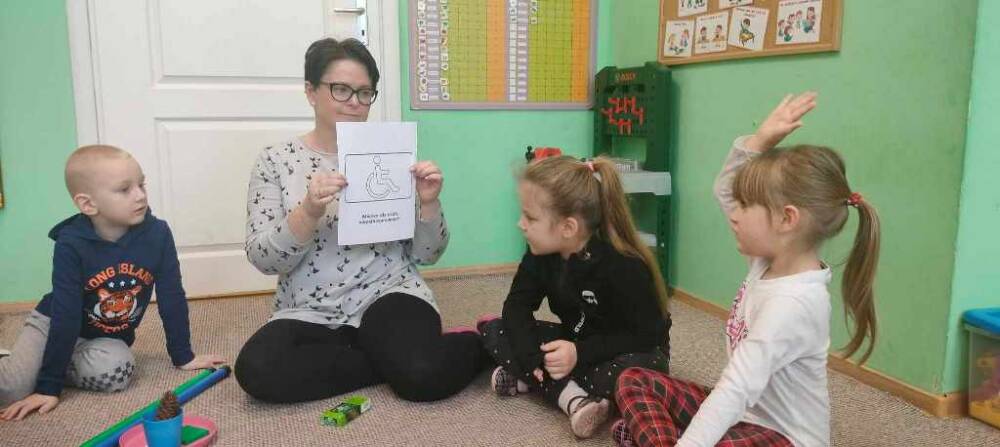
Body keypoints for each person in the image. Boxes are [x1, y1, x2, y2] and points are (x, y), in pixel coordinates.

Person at [612, 92, 881, 446]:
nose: (733, 213)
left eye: (745, 205)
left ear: (787, 219)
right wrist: (759, 143)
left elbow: (735, 388)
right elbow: (725, 189)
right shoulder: (768, 261)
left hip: (785, 438)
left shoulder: (794, 304)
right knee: (634, 380)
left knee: (708, 431)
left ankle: (655, 437)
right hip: (745, 417)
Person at [234, 38, 486, 404]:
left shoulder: (391, 152)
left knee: (423, 377)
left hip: (387, 292)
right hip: (310, 308)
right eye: (341, 89)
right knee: (257, 370)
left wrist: (429, 203)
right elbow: (264, 258)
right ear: (311, 91)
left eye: (365, 93)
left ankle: (481, 341)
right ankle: (387, 360)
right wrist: (308, 211)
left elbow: (428, 255)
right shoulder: (275, 160)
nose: (355, 102)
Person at [0, 145, 224, 421]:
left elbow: (172, 296)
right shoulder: (71, 243)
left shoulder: (158, 234)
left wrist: (183, 356)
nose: (140, 195)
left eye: (142, 184)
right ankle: (27, 363)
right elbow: (66, 315)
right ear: (88, 204)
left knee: (118, 371)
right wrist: (48, 386)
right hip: (54, 322)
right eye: (124, 189)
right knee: (11, 389)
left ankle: (49, 362)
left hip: (103, 338)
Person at [479, 156, 671, 438]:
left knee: (637, 376)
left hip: (628, 349)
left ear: (568, 228)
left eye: (530, 218)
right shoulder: (539, 253)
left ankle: (547, 387)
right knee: (496, 329)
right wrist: (534, 359)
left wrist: (579, 354)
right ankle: (576, 398)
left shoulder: (623, 265)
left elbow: (646, 335)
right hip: (575, 343)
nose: (521, 224)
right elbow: (516, 306)